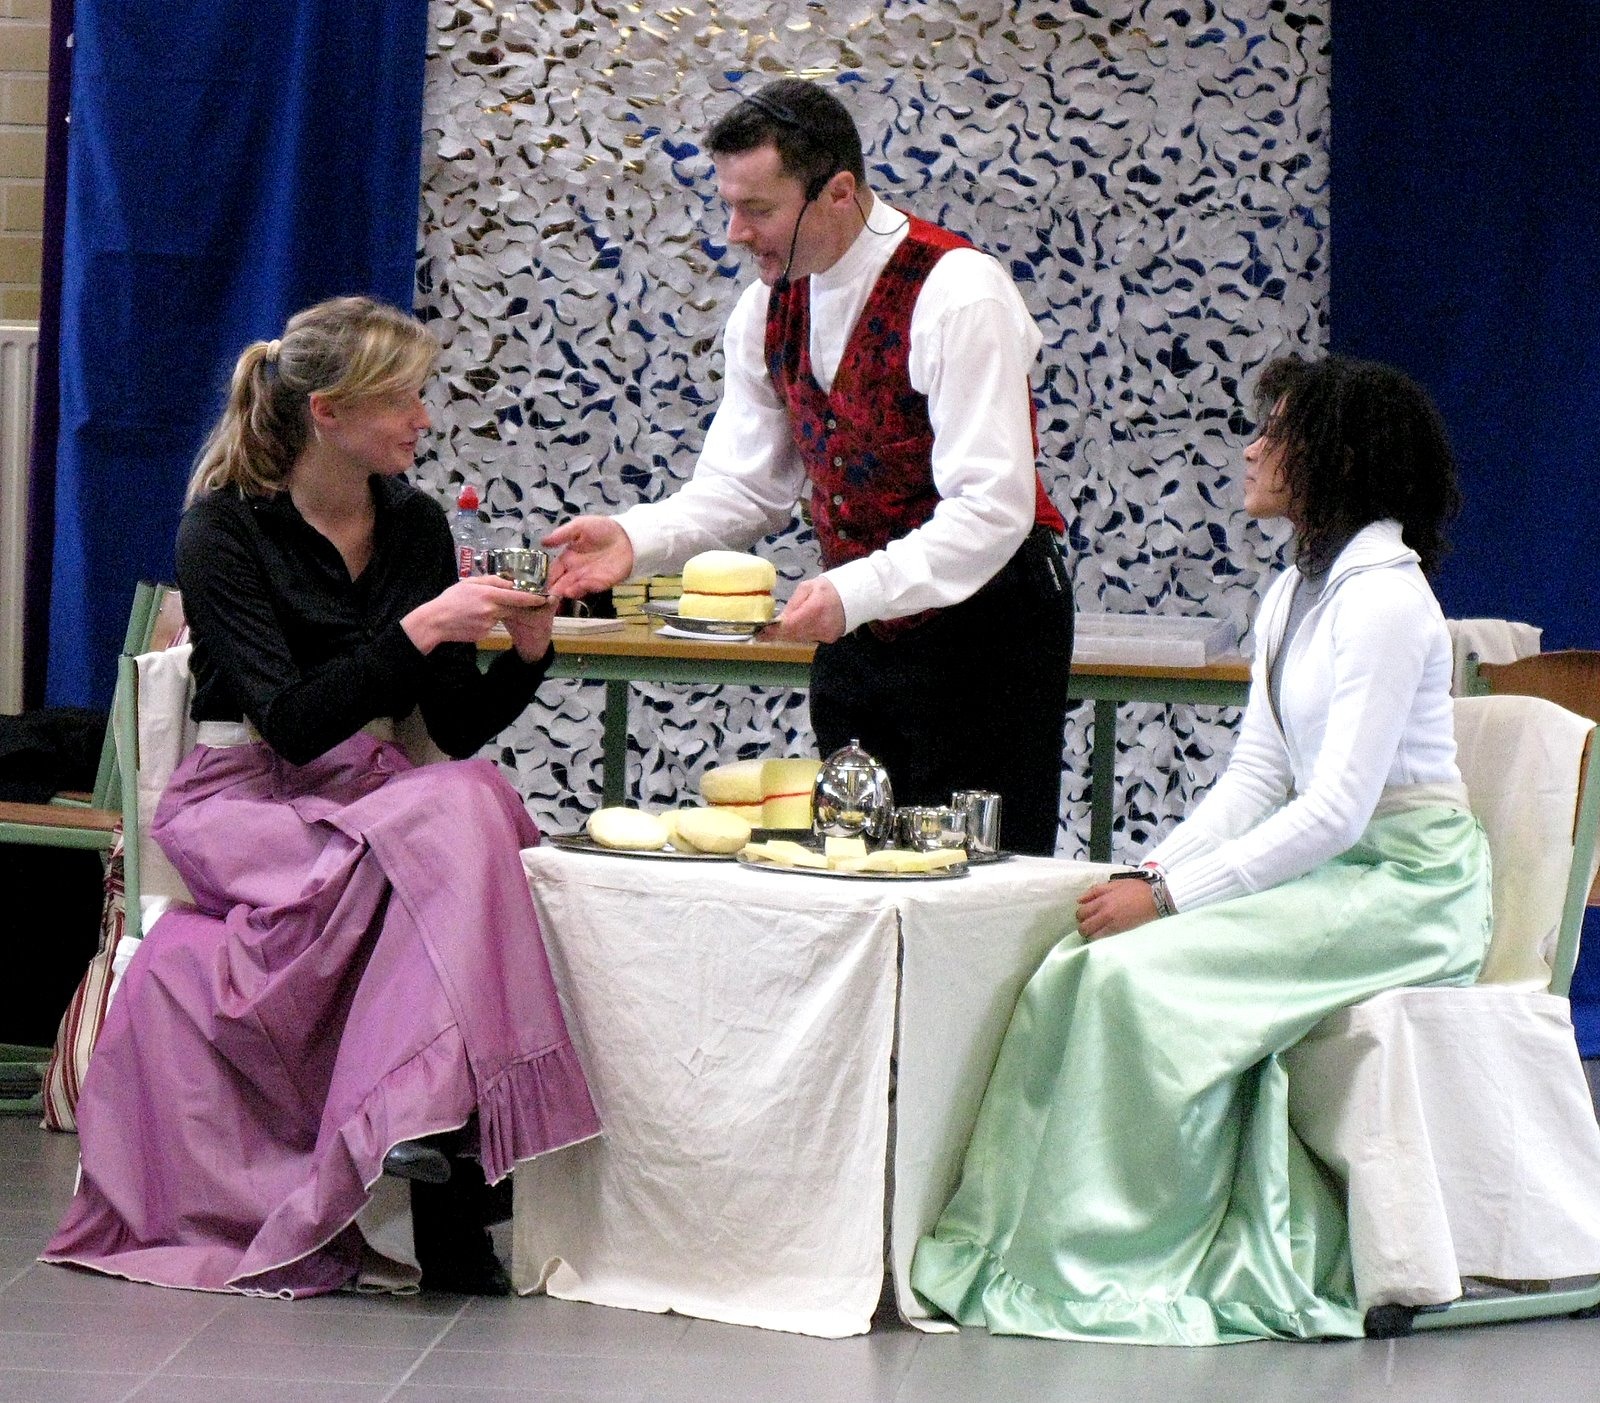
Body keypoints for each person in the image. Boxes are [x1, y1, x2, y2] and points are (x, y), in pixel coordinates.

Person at [910, 354, 1493, 1343]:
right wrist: (1153, 873)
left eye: (1275, 433)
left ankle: (1119, 1257)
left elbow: (1337, 812)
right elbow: (1255, 780)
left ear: (1338, 459)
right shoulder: (1292, 594)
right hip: (1334, 872)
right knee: (1072, 966)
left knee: (1134, 983)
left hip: (1409, 886)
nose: (1250, 449)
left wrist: (1174, 898)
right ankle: (1014, 1246)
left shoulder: (1387, 601)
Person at [44, 296, 600, 1297]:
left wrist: (528, 652)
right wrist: (421, 629)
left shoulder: (416, 524)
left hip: (370, 795)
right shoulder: (223, 528)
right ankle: (449, 1156)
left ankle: (432, 1132)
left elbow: (454, 723)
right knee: (454, 825)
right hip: (246, 798)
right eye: (403, 399)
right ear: (328, 413)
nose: (423, 418)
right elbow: (293, 724)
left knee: (467, 797)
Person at [545, 78, 1074, 856]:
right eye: (729, 206)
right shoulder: (765, 309)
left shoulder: (959, 292)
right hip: (858, 625)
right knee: (853, 862)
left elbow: (993, 507)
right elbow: (745, 486)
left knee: (978, 876)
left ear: (839, 192)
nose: (734, 233)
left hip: (988, 625)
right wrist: (636, 539)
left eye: (757, 210)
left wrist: (855, 590)